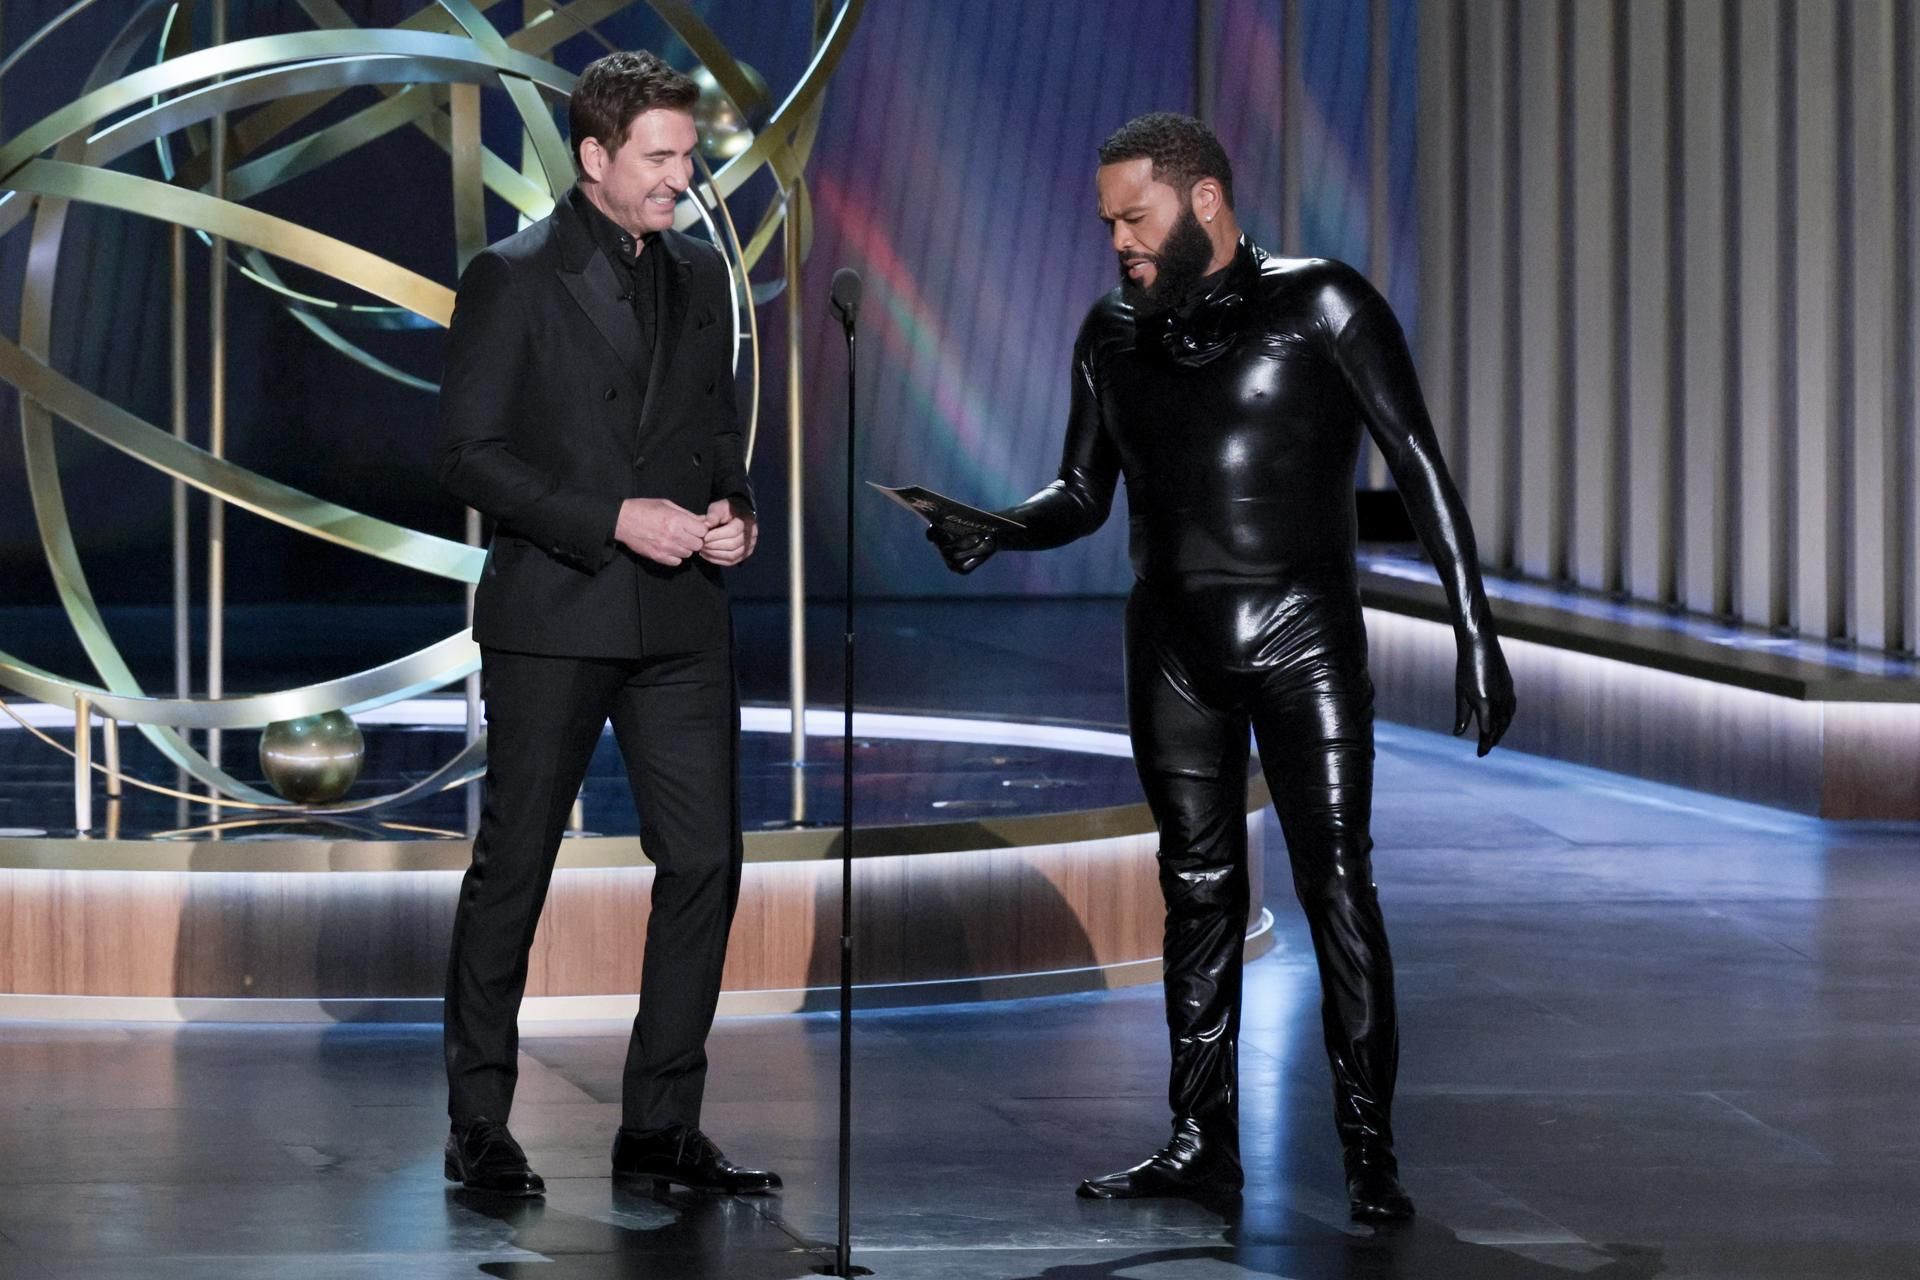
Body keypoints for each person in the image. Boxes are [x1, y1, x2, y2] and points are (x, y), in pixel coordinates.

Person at [927, 113, 1515, 1222]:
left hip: (1306, 638)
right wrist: (995, 524)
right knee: (1194, 892)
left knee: (1337, 883)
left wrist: (1474, 632)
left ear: (1203, 201)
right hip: (1173, 647)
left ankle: (1369, 1150)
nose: (1117, 241)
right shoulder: (1112, 332)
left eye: (1134, 216)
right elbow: (1083, 493)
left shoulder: (1324, 302)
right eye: (1106, 221)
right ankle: (1201, 1140)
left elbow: (1421, 465)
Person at [435, 50, 776, 1199]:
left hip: (681, 617)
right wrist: (613, 515)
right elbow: (471, 455)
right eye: (661, 158)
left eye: (688, 155)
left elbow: (718, 434)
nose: (684, 177)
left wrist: (734, 512)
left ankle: (661, 1123)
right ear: (594, 158)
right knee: (516, 865)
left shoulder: (698, 275)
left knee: (705, 860)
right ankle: (480, 1121)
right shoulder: (513, 276)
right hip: (558, 608)